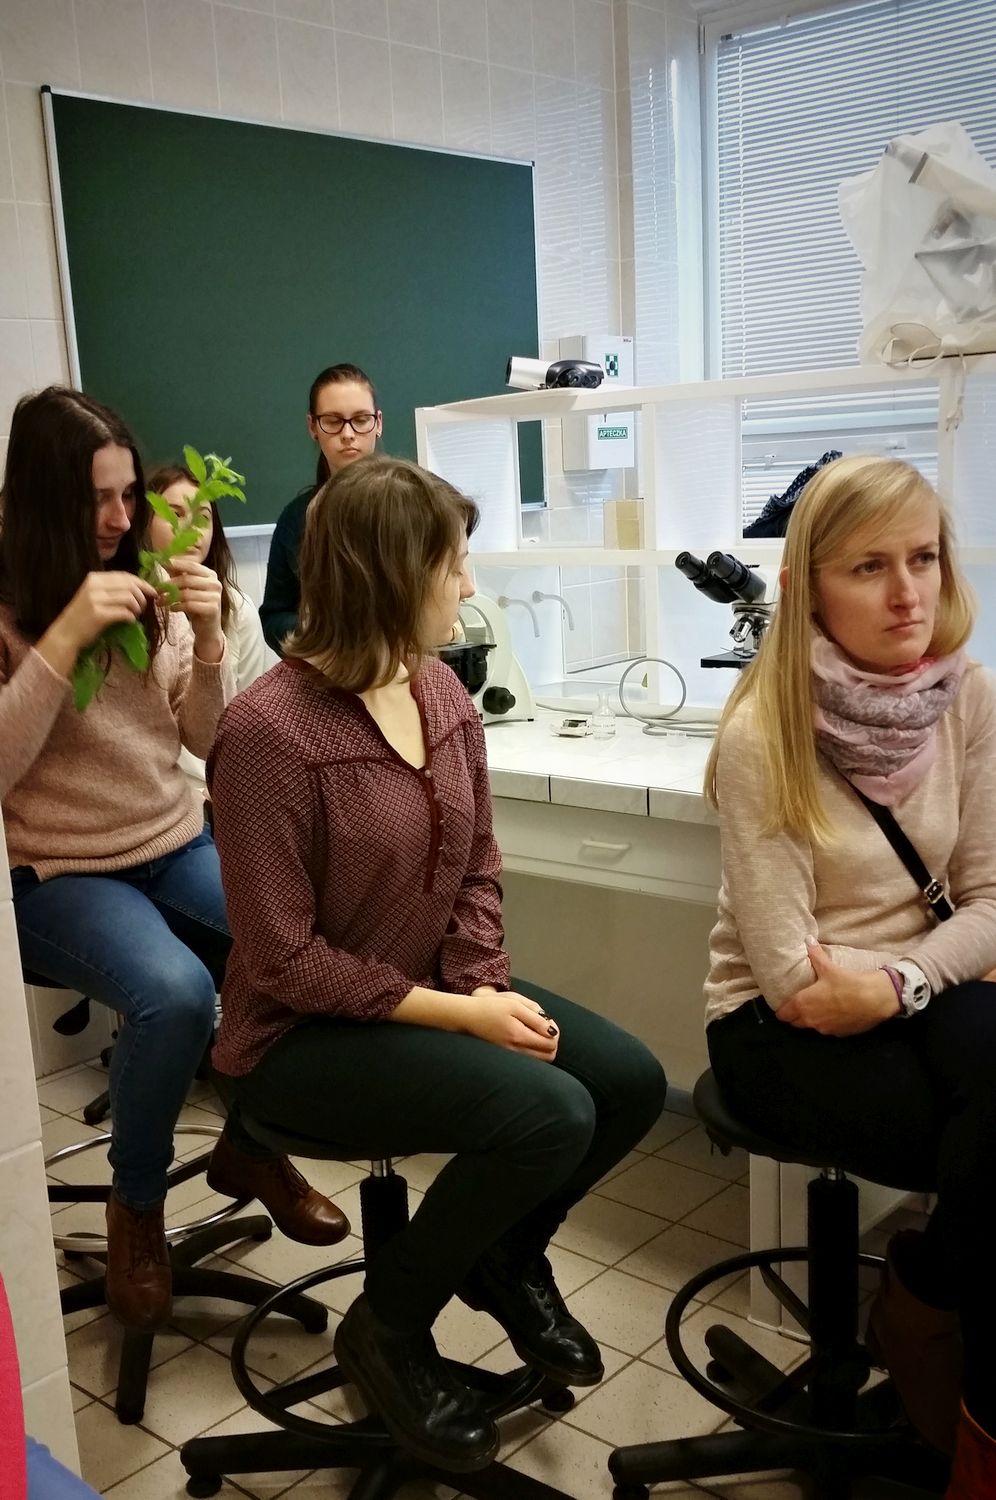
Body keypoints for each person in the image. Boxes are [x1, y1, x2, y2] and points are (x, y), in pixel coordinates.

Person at [208, 455, 668, 1474]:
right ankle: (390, 1325)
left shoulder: (442, 693)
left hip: (425, 992)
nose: (467, 583)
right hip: (298, 1038)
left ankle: (502, 1256)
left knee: (628, 1081)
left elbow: (476, 866)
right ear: (390, 574)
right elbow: (281, 959)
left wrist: (483, 983)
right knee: (550, 1113)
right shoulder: (266, 733)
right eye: (451, 564)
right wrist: (462, 1017)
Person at [0, 387, 349, 1336]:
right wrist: (62, 637)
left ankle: (251, 1146)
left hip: (171, 838)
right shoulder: (10, 608)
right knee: (177, 994)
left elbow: (202, 739)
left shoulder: (145, 585)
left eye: (127, 495)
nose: (121, 519)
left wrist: (206, 644)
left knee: (297, 947)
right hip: (59, 872)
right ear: (41, 500)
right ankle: (138, 1210)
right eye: (98, 500)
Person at [703, 455, 996, 1498]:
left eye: (923, 558)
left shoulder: (967, 696)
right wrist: (937, 963)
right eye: (869, 567)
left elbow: (992, 896)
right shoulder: (764, 732)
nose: (908, 593)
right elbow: (791, 975)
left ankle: (924, 1306)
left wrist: (902, 981)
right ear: (807, 590)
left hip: (908, 992)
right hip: (773, 1025)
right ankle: (946, 1382)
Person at [147, 462, 270, 791]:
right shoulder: (132, 606)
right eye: (173, 514)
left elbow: (250, 717)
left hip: (223, 784)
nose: (190, 530)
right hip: (160, 787)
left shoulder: (239, 610)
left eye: (202, 518)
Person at [259, 362, 382, 653]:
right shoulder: (295, 519)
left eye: (361, 419)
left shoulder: (413, 506)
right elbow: (274, 618)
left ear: (378, 423)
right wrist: (317, 630)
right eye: (333, 421)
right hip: (325, 668)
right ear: (312, 426)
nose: (348, 433)